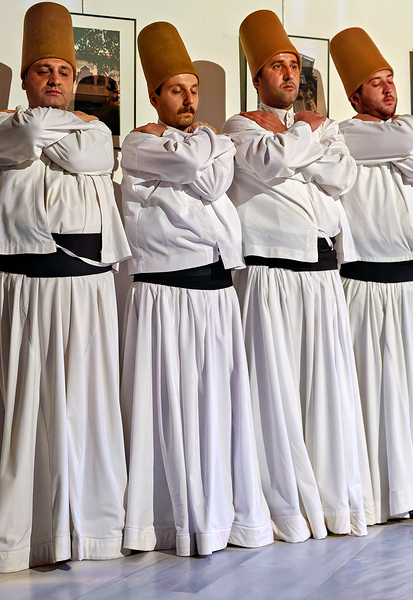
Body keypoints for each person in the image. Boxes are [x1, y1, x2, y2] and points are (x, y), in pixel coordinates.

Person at [0, 2, 131, 573]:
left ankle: (91, 529)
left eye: (63, 72)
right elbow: (31, 131)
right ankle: (23, 536)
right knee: (26, 405)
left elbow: (86, 151)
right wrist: (48, 131)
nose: (54, 80)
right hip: (23, 286)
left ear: (75, 79)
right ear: (25, 78)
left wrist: (50, 135)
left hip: (87, 286)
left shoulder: (97, 130)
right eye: (42, 71)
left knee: (86, 406)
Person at [119, 21, 273, 558]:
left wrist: (205, 146)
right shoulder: (138, 142)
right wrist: (206, 144)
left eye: (193, 90)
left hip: (216, 287)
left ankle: (222, 515)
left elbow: (210, 182)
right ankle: (168, 520)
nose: (188, 100)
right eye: (175, 90)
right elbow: (190, 164)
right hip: (165, 291)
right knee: (169, 404)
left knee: (218, 404)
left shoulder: (213, 143)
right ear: (154, 97)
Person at [222, 9, 374, 543]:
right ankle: (284, 507)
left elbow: (342, 175)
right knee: (275, 394)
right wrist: (303, 141)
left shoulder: (323, 126)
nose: (289, 74)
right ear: (257, 78)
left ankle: (333, 503)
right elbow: (267, 165)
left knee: (327, 392)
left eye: (293, 66)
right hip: (270, 273)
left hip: (322, 274)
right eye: (276, 66)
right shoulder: (239, 126)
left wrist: (297, 142)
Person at [329, 27, 413, 523]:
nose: (388, 88)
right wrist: (409, 140)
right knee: (377, 395)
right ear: (354, 96)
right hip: (368, 283)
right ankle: (384, 496)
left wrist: (410, 140)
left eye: (390, 79)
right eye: (376, 82)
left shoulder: (402, 130)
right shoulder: (343, 135)